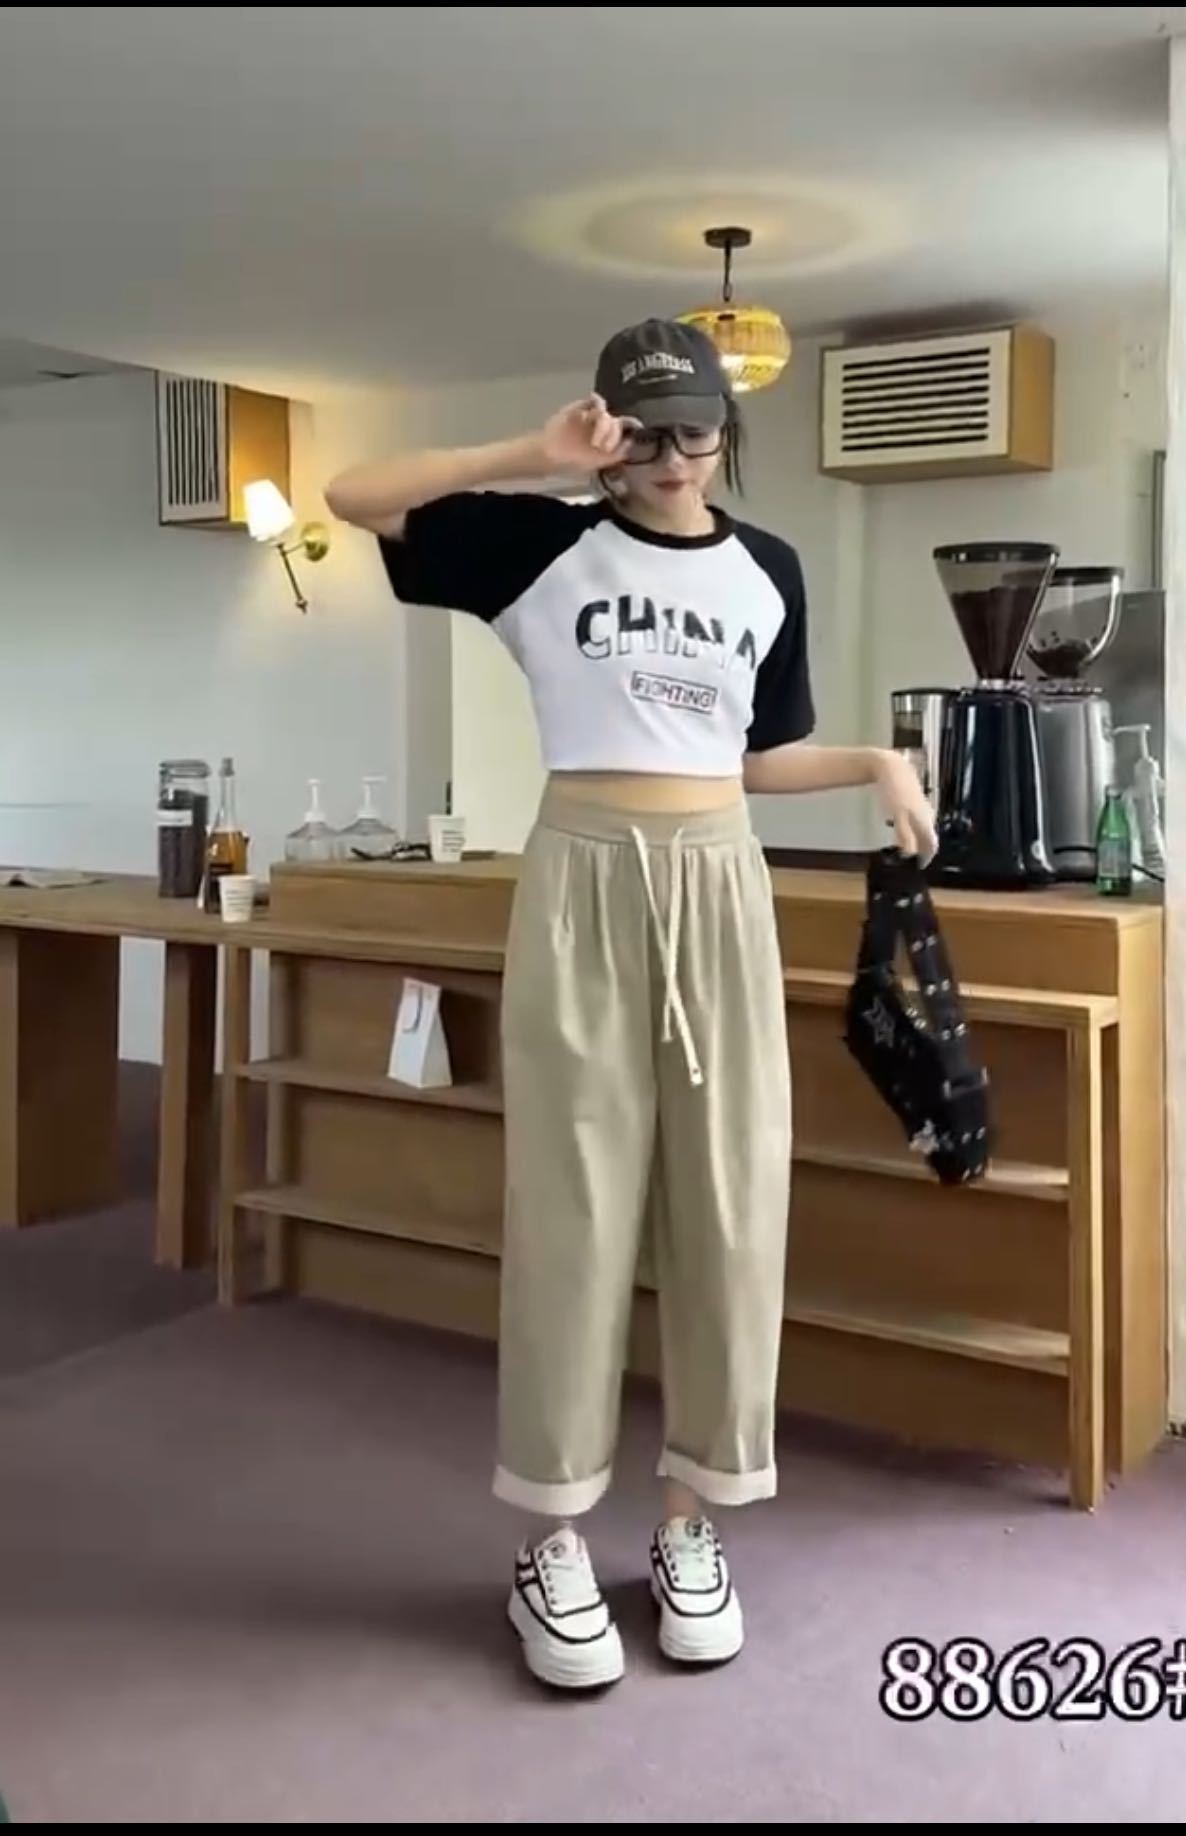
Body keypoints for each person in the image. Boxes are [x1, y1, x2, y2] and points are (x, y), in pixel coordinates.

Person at [326, 318, 936, 1692]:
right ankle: (549, 1537)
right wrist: (528, 453)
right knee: (575, 1199)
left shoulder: (766, 568)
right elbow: (352, 494)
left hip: (721, 874)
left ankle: (690, 1519)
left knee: (728, 1195)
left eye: (694, 430)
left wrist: (874, 761)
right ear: (608, 431)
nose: (671, 458)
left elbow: (754, 755)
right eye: (645, 433)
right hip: (585, 874)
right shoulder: (537, 544)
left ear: (727, 428)